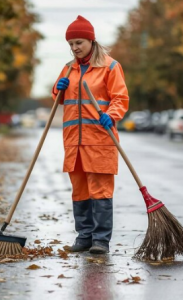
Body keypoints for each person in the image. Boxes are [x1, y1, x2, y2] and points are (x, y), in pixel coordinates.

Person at [52, 15, 129, 254]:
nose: (75, 48)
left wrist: (112, 115)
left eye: (79, 42)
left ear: (91, 40)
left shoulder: (110, 66)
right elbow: (58, 97)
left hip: (100, 138)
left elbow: (120, 98)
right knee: (80, 191)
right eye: (71, 44)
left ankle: (101, 240)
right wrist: (58, 89)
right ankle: (84, 237)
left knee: (101, 190)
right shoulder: (68, 68)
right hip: (74, 141)